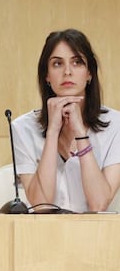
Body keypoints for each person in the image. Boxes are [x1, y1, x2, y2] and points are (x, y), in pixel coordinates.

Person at [13, 28, 120, 213]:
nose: (67, 72)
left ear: (89, 73)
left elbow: (99, 204)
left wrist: (80, 134)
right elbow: (42, 206)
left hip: (98, 236)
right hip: (43, 235)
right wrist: (52, 132)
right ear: (46, 75)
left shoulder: (116, 124)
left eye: (77, 62)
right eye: (57, 64)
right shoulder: (22, 128)